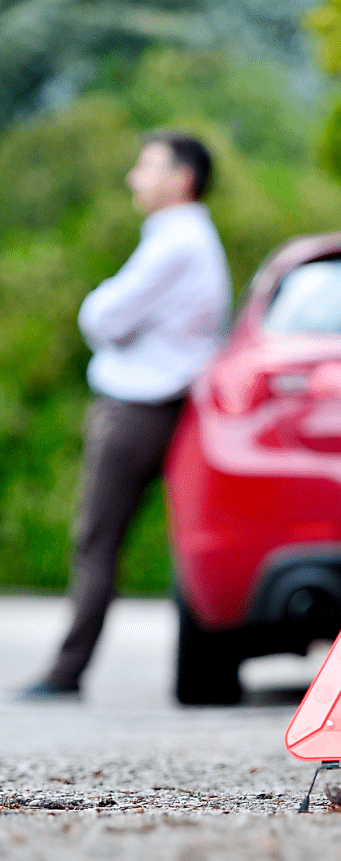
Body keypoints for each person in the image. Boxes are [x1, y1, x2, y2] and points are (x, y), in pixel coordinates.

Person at [18, 132, 232, 699]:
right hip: (169, 402)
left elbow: (102, 317)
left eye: (146, 166)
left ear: (182, 179)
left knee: (96, 538)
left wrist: (109, 314)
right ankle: (199, 672)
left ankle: (67, 672)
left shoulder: (175, 243)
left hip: (138, 406)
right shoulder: (192, 239)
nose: (134, 177)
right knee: (173, 535)